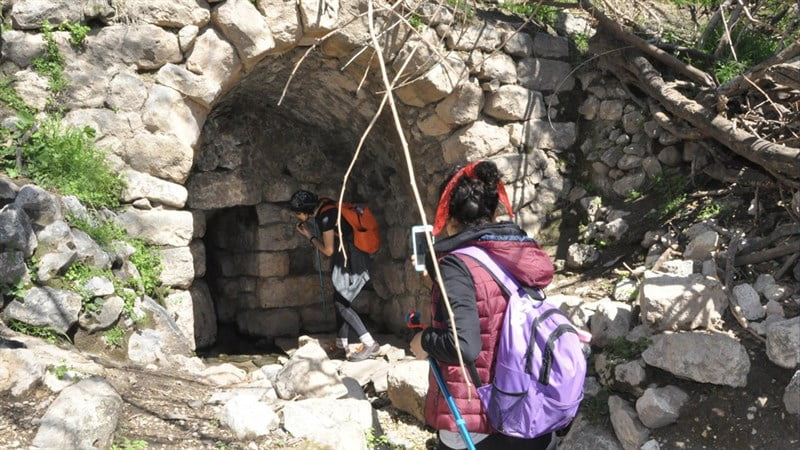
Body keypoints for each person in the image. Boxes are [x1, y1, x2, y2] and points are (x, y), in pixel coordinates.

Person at [409, 161, 557, 450]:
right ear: (494, 212)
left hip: (484, 424)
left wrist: (423, 340)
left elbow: (464, 346)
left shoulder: (455, 265)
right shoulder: (516, 254)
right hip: (531, 414)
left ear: (450, 221)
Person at [290, 189, 380, 361]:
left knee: (341, 303)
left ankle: (369, 343)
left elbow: (328, 250)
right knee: (339, 299)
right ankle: (340, 345)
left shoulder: (325, 217)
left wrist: (309, 236)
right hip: (349, 253)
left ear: (305, 210)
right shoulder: (324, 203)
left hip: (352, 257)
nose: (296, 216)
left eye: (297, 213)